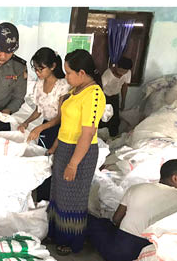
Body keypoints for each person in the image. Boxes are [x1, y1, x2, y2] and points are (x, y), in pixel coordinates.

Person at [46, 49, 106, 256]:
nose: (66, 77)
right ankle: (56, 232)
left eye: (69, 73)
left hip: (81, 152)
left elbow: (87, 134)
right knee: (58, 193)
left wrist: (73, 164)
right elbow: (66, 123)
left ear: (82, 73)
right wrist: (54, 146)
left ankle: (71, 240)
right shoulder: (76, 90)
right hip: (65, 147)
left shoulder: (94, 94)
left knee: (73, 198)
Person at [87, 159, 177, 261]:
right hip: (151, 252)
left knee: (94, 222)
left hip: (120, 251)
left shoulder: (138, 188)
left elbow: (116, 219)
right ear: (175, 178)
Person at [17, 47, 70, 202]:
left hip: (59, 129)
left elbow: (60, 118)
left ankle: (51, 202)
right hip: (47, 128)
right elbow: (39, 110)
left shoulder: (63, 86)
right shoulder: (39, 85)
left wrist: (39, 128)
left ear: (53, 66)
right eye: (36, 69)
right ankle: (41, 200)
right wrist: (26, 123)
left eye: (41, 69)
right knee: (42, 164)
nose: (38, 73)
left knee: (55, 167)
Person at [100, 57, 133, 137]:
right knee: (103, 118)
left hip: (115, 97)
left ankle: (112, 138)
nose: (122, 74)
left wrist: (123, 101)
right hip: (104, 97)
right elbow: (99, 90)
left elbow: (125, 86)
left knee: (115, 120)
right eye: (120, 71)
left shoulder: (128, 72)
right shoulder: (107, 74)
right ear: (116, 66)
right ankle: (101, 138)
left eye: (124, 72)